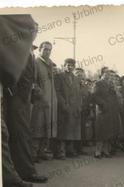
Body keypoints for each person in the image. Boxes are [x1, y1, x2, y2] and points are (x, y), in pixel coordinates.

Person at [1, 15, 48, 185]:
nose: (34, 33)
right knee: (20, 134)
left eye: (35, 30)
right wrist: (13, 92)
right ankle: (26, 172)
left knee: (21, 134)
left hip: (24, 99)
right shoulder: (18, 49)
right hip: (17, 99)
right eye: (31, 29)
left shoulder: (28, 51)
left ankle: (22, 171)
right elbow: (12, 73)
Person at [30, 41, 58, 162]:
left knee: (48, 127)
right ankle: (33, 153)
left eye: (49, 50)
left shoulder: (51, 64)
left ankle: (42, 151)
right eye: (45, 49)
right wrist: (41, 95)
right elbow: (33, 82)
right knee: (37, 127)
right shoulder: (35, 63)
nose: (47, 52)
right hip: (39, 101)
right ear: (40, 49)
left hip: (51, 101)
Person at [55, 58, 82, 158]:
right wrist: (63, 104)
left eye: (72, 65)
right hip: (64, 107)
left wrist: (79, 107)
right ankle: (61, 151)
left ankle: (70, 150)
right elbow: (57, 92)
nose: (69, 67)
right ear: (64, 65)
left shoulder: (75, 79)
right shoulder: (59, 76)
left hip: (74, 108)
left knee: (72, 130)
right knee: (63, 130)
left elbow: (78, 94)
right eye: (68, 65)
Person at [93, 68, 121, 158]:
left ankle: (105, 151)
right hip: (102, 110)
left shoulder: (111, 84)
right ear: (102, 74)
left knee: (108, 132)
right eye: (106, 73)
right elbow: (95, 96)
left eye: (109, 74)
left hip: (111, 111)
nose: (108, 75)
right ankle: (98, 151)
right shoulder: (98, 83)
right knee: (100, 132)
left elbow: (115, 97)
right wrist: (103, 104)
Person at [74, 68, 93, 154]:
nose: (80, 76)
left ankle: (79, 148)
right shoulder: (72, 84)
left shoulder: (84, 86)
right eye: (78, 74)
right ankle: (72, 149)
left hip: (83, 110)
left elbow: (86, 96)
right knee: (74, 130)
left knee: (82, 130)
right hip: (74, 109)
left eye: (81, 74)